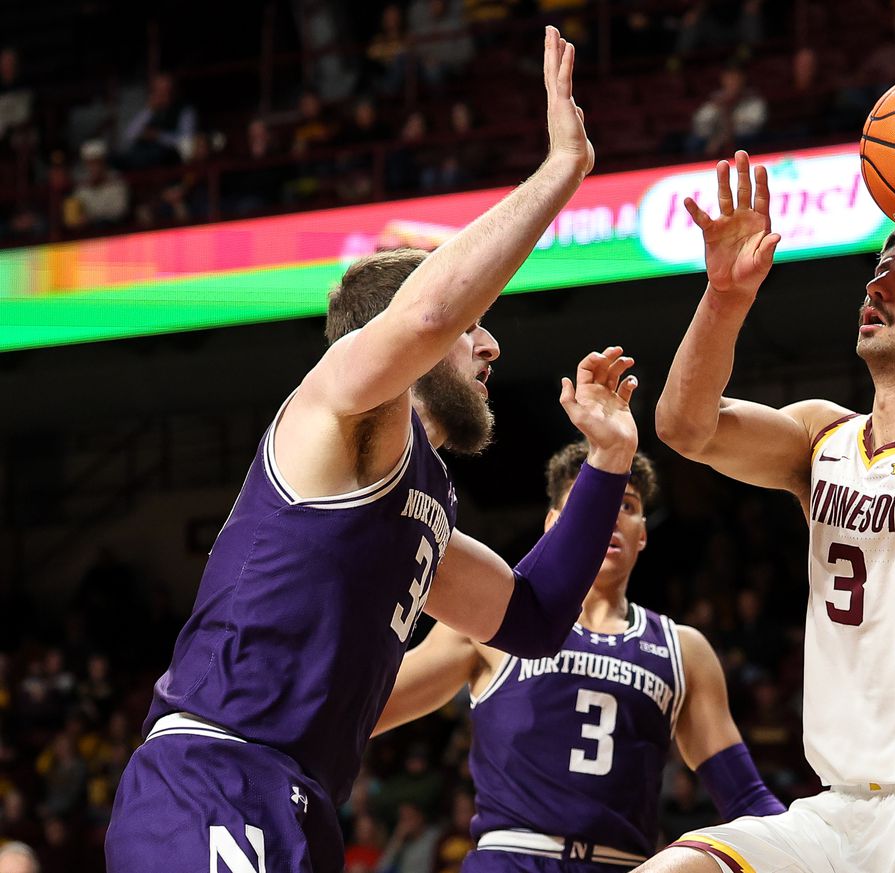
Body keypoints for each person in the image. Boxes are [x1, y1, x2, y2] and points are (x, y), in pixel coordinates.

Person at [105, 28, 638, 873]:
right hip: (214, 773)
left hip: (299, 797)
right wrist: (559, 173)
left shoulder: (421, 503)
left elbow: (534, 618)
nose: (490, 347)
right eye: (476, 326)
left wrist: (608, 465)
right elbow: (424, 317)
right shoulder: (335, 406)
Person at [646, 149, 895, 872]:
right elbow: (684, 427)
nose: (880, 284)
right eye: (879, 272)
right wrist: (725, 298)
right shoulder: (821, 436)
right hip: (834, 811)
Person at [374, 442, 783, 871]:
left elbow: (744, 797)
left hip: (622, 863)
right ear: (554, 524)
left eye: (626, 506)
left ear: (643, 532)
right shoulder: (488, 625)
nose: (609, 517)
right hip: (513, 857)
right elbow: (365, 712)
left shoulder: (682, 649)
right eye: (592, 504)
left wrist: (811, 845)